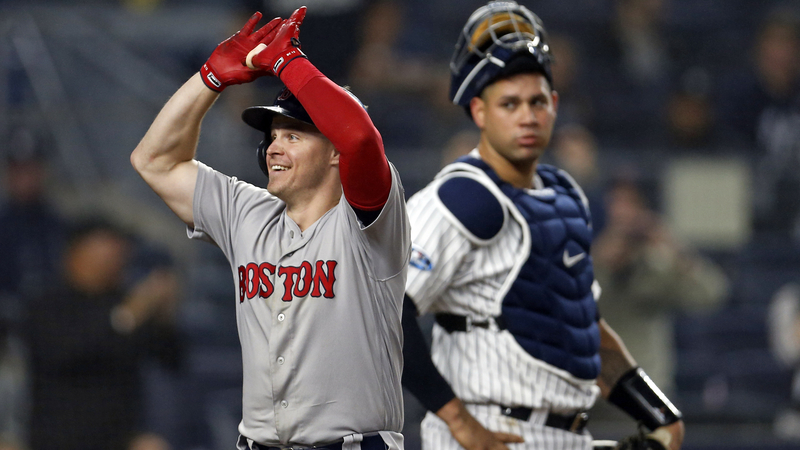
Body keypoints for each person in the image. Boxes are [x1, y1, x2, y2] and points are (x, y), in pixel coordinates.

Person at [400, 2, 685, 449]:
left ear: (554, 106)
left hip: (570, 433)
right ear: (479, 112)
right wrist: (458, 422)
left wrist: (659, 414)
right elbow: (385, 313)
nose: (527, 116)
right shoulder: (459, 197)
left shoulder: (565, 194)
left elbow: (580, 321)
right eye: (509, 104)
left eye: (536, 102)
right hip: (489, 428)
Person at [130, 7, 410, 450]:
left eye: (294, 135)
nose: (274, 147)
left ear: (335, 154)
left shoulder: (369, 223)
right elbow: (154, 161)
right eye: (273, 136)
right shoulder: (248, 212)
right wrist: (209, 78)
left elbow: (358, 137)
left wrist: (289, 62)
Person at [24, 217, 182, 450]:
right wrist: (127, 317)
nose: (119, 256)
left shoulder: (121, 300)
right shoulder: (47, 304)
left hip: (120, 440)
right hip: (57, 439)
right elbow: (66, 354)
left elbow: (173, 360)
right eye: (108, 246)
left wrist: (164, 317)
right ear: (78, 251)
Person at [591, 178, 728, 393]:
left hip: (644, 387)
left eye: (630, 205)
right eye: (615, 204)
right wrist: (599, 258)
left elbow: (711, 294)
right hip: (592, 387)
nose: (622, 214)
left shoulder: (656, 266)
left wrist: (673, 247)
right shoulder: (587, 252)